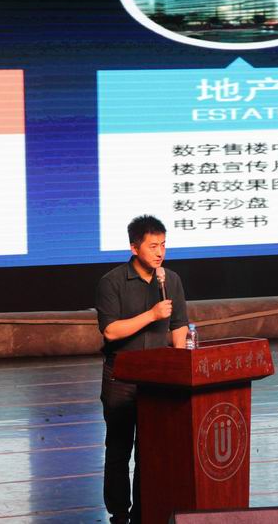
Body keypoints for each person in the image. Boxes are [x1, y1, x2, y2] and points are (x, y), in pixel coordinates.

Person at [96, 214, 188, 524]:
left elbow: (179, 325)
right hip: (121, 376)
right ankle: (119, 512)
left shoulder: (170, 280)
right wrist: (151, 314)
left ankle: (144, 511)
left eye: (163, 245)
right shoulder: (112, 282)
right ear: (134, 248)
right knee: (119, 447)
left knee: (150, 450)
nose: (160, 252)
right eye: (153, 246)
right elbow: (111, 331)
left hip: (158, 377)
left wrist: (180, 362)